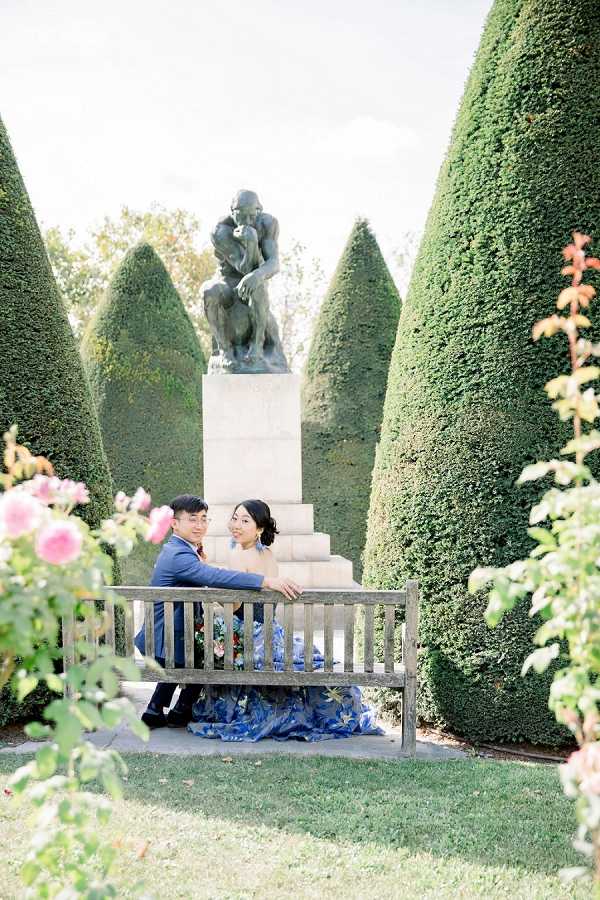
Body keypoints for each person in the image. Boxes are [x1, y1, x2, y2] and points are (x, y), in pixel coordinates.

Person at [188, 499, 382, 742]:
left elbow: (234, 607)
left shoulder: (238, 555)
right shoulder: (267, 553)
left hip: (252, 636)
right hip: (271, 631)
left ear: (259, 529)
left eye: (245, 520)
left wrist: (210, 587)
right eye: (235, 518)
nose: (236, 525)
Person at [134, 494, 301, 729]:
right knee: (207, 650)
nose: (200, 525)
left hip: (171, 635)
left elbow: (209, 577)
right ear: (174, 523)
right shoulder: (181, 554)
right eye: (193, 519)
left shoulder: (180, 550)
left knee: (206, 645)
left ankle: (159, 710)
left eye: (203, 519)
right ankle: (178, 710)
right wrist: (266, 581)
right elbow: (214, 577)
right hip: (166, 639)